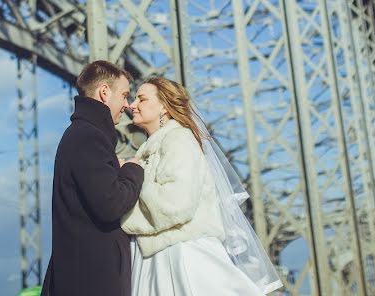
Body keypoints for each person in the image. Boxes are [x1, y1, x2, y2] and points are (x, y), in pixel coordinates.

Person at [121, 76, 284, 295]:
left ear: (164, 107)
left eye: (141, 99)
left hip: (181, 257)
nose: (132, 105)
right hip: (157, 255)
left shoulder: (179, 139)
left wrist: (130, 187)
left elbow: (175, 204)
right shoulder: (150, 149)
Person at [42, 60, 145, 296]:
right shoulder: (89, 137)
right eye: (124, 95)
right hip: (93, 280)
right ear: (105, 92)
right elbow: (111, 203)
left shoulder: (82, 134)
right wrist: (132, 169)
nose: (127, 105)